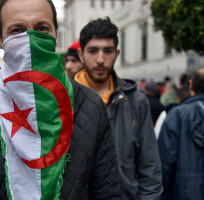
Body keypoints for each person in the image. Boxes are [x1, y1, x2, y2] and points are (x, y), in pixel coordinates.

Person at [0, 0, 121, 199]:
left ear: (56, 35)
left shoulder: (90, 106)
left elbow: (107, 192)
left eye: (42, 28)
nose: (30, 39)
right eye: (17, 30)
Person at [74, 17, 162, 199]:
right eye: (93, 51)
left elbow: (150, 168)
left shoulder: (136, 102)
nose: (100, 59)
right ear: (81, 54)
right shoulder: (62, 100)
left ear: (117, 53)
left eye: (107, 51)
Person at [158, 67, 204, 200]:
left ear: (191, 86)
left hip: (185, 192)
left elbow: (166, 162)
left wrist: (163, 194)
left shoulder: (177, 115)